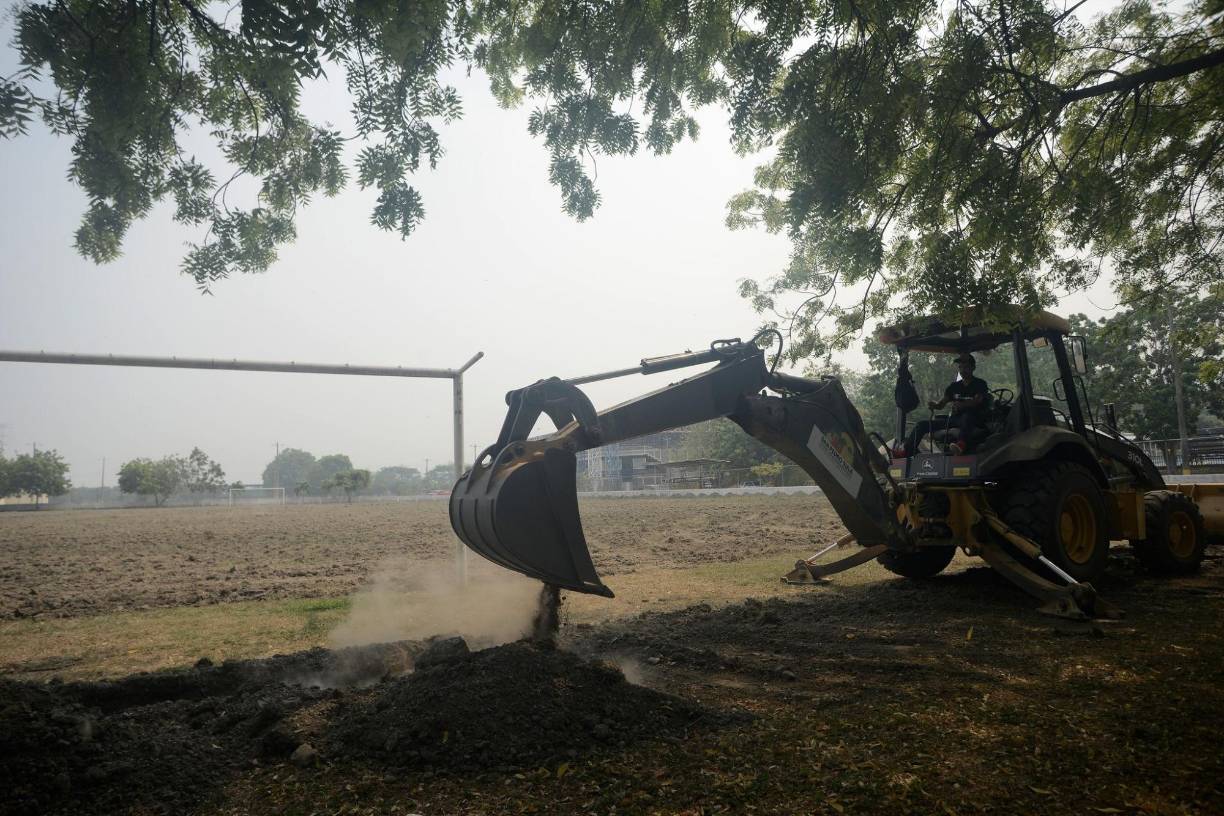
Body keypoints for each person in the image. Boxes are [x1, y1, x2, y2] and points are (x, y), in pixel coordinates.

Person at [895, 353, 990, 456]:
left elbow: (977, 401)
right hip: (954, 420)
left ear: (973, 368)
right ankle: (907, 451)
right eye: (960, 367)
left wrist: (962, 405)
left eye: (966, 367)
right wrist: (934, 405)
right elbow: (941, 405)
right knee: (921, 425)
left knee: (967, 417)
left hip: (973, 420)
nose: (963, 370)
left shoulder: (980, 384)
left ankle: (961, 445)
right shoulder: (954, 387)